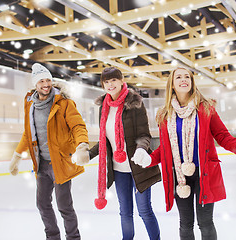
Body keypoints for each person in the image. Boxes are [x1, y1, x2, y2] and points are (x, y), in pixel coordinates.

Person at [133, 67, 236, 240]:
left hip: (204, 173)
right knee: (185, 223)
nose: (183, 79)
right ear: (172, 84)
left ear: (192, 82)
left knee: (205, 222)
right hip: (179, 176)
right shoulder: (164, 114)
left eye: (187, 76)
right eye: (178, 77)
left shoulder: (206, 109)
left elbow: (222, 136)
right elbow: (165, 149)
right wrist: (148, 159)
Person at [9, 63, 90, 240]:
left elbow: (77, 125)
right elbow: (28, 133)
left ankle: (73, 238)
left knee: (64, 206)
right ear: (35, 84)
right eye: (41, 81)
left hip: (59, 162)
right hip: (41, 164)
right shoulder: (30, 104)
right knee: (42, 204)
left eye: (48, 80)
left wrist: (82, 144)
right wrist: (16, 156)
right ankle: (52, 236)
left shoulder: (64, 103)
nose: (45, 84)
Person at [89, 67, 161, 240]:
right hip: (119, 169)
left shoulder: (134, 103)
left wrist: (141, 149)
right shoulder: (104, 107)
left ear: (121, 81)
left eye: (113, 80)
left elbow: (144, 134)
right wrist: (89, 154)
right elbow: (105, 140)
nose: (110, 84)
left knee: (144, 210)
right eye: (106, 82)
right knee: (125, 212)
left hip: (138, 166)